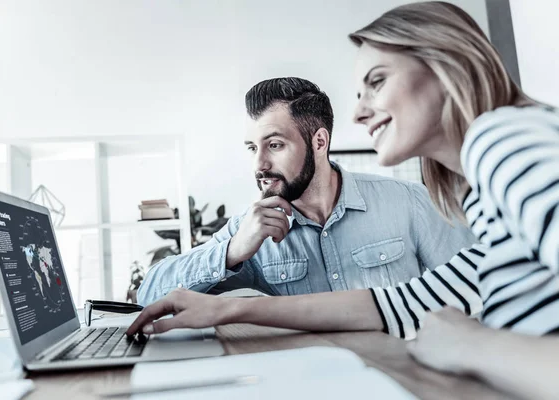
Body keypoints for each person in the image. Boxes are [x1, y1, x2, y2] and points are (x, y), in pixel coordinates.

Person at [128, 2, 559, 398]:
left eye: (377, 81)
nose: (358, 112)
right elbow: (401, 302)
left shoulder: (499, 141)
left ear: (448, 68)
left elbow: (458, 323)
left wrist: (473, 346)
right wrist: (227, 288)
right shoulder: (485, 200)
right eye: (251, 147)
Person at [137, 77, 474, 305]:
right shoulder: (250, 231)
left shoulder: (408, 201)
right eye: (252, 147)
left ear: (319, 142)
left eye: (275, 144)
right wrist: (232, 251)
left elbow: (477, 285)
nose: (260, 164)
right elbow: (150, 294)